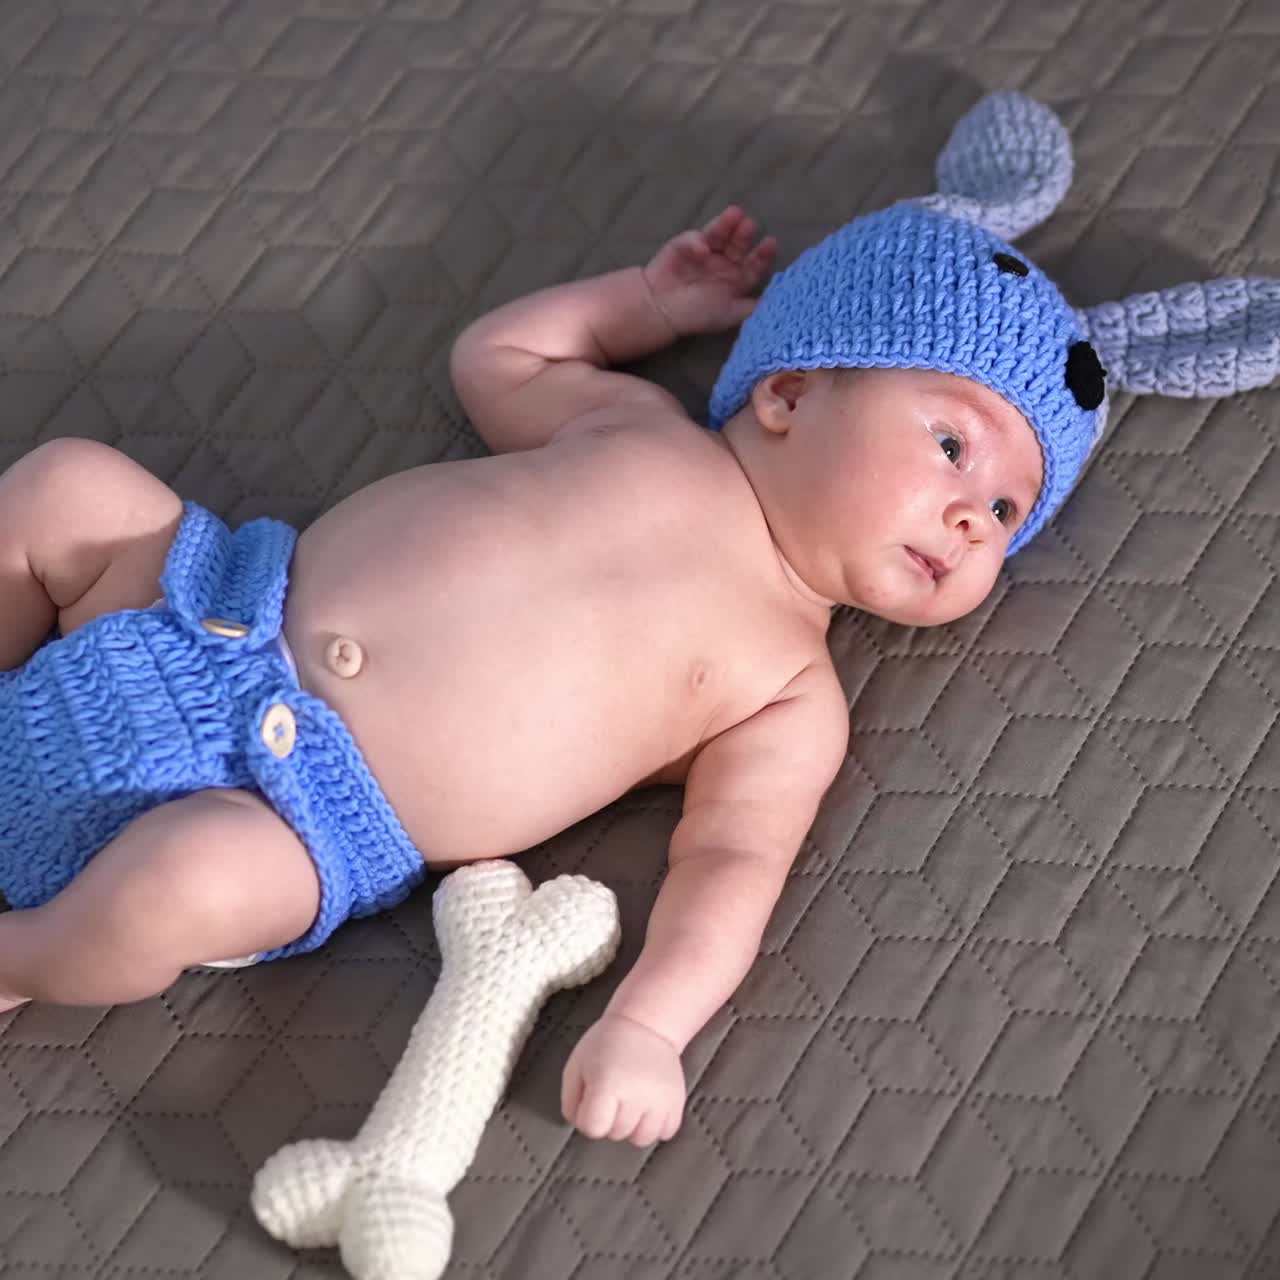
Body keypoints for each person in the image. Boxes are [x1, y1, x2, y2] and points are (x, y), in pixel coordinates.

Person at [2, 93, 1273, 1150]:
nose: (970, 518)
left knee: (169, 893)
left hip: (303, 816)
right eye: (950, 444)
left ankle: (25, 956)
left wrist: (648, 1026)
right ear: (785, 391)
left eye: (1007, 506)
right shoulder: (633, 425)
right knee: (67, 487)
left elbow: (730, 871)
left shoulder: (787, 691)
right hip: (217, 601)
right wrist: (648, 307)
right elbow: (496, 362)